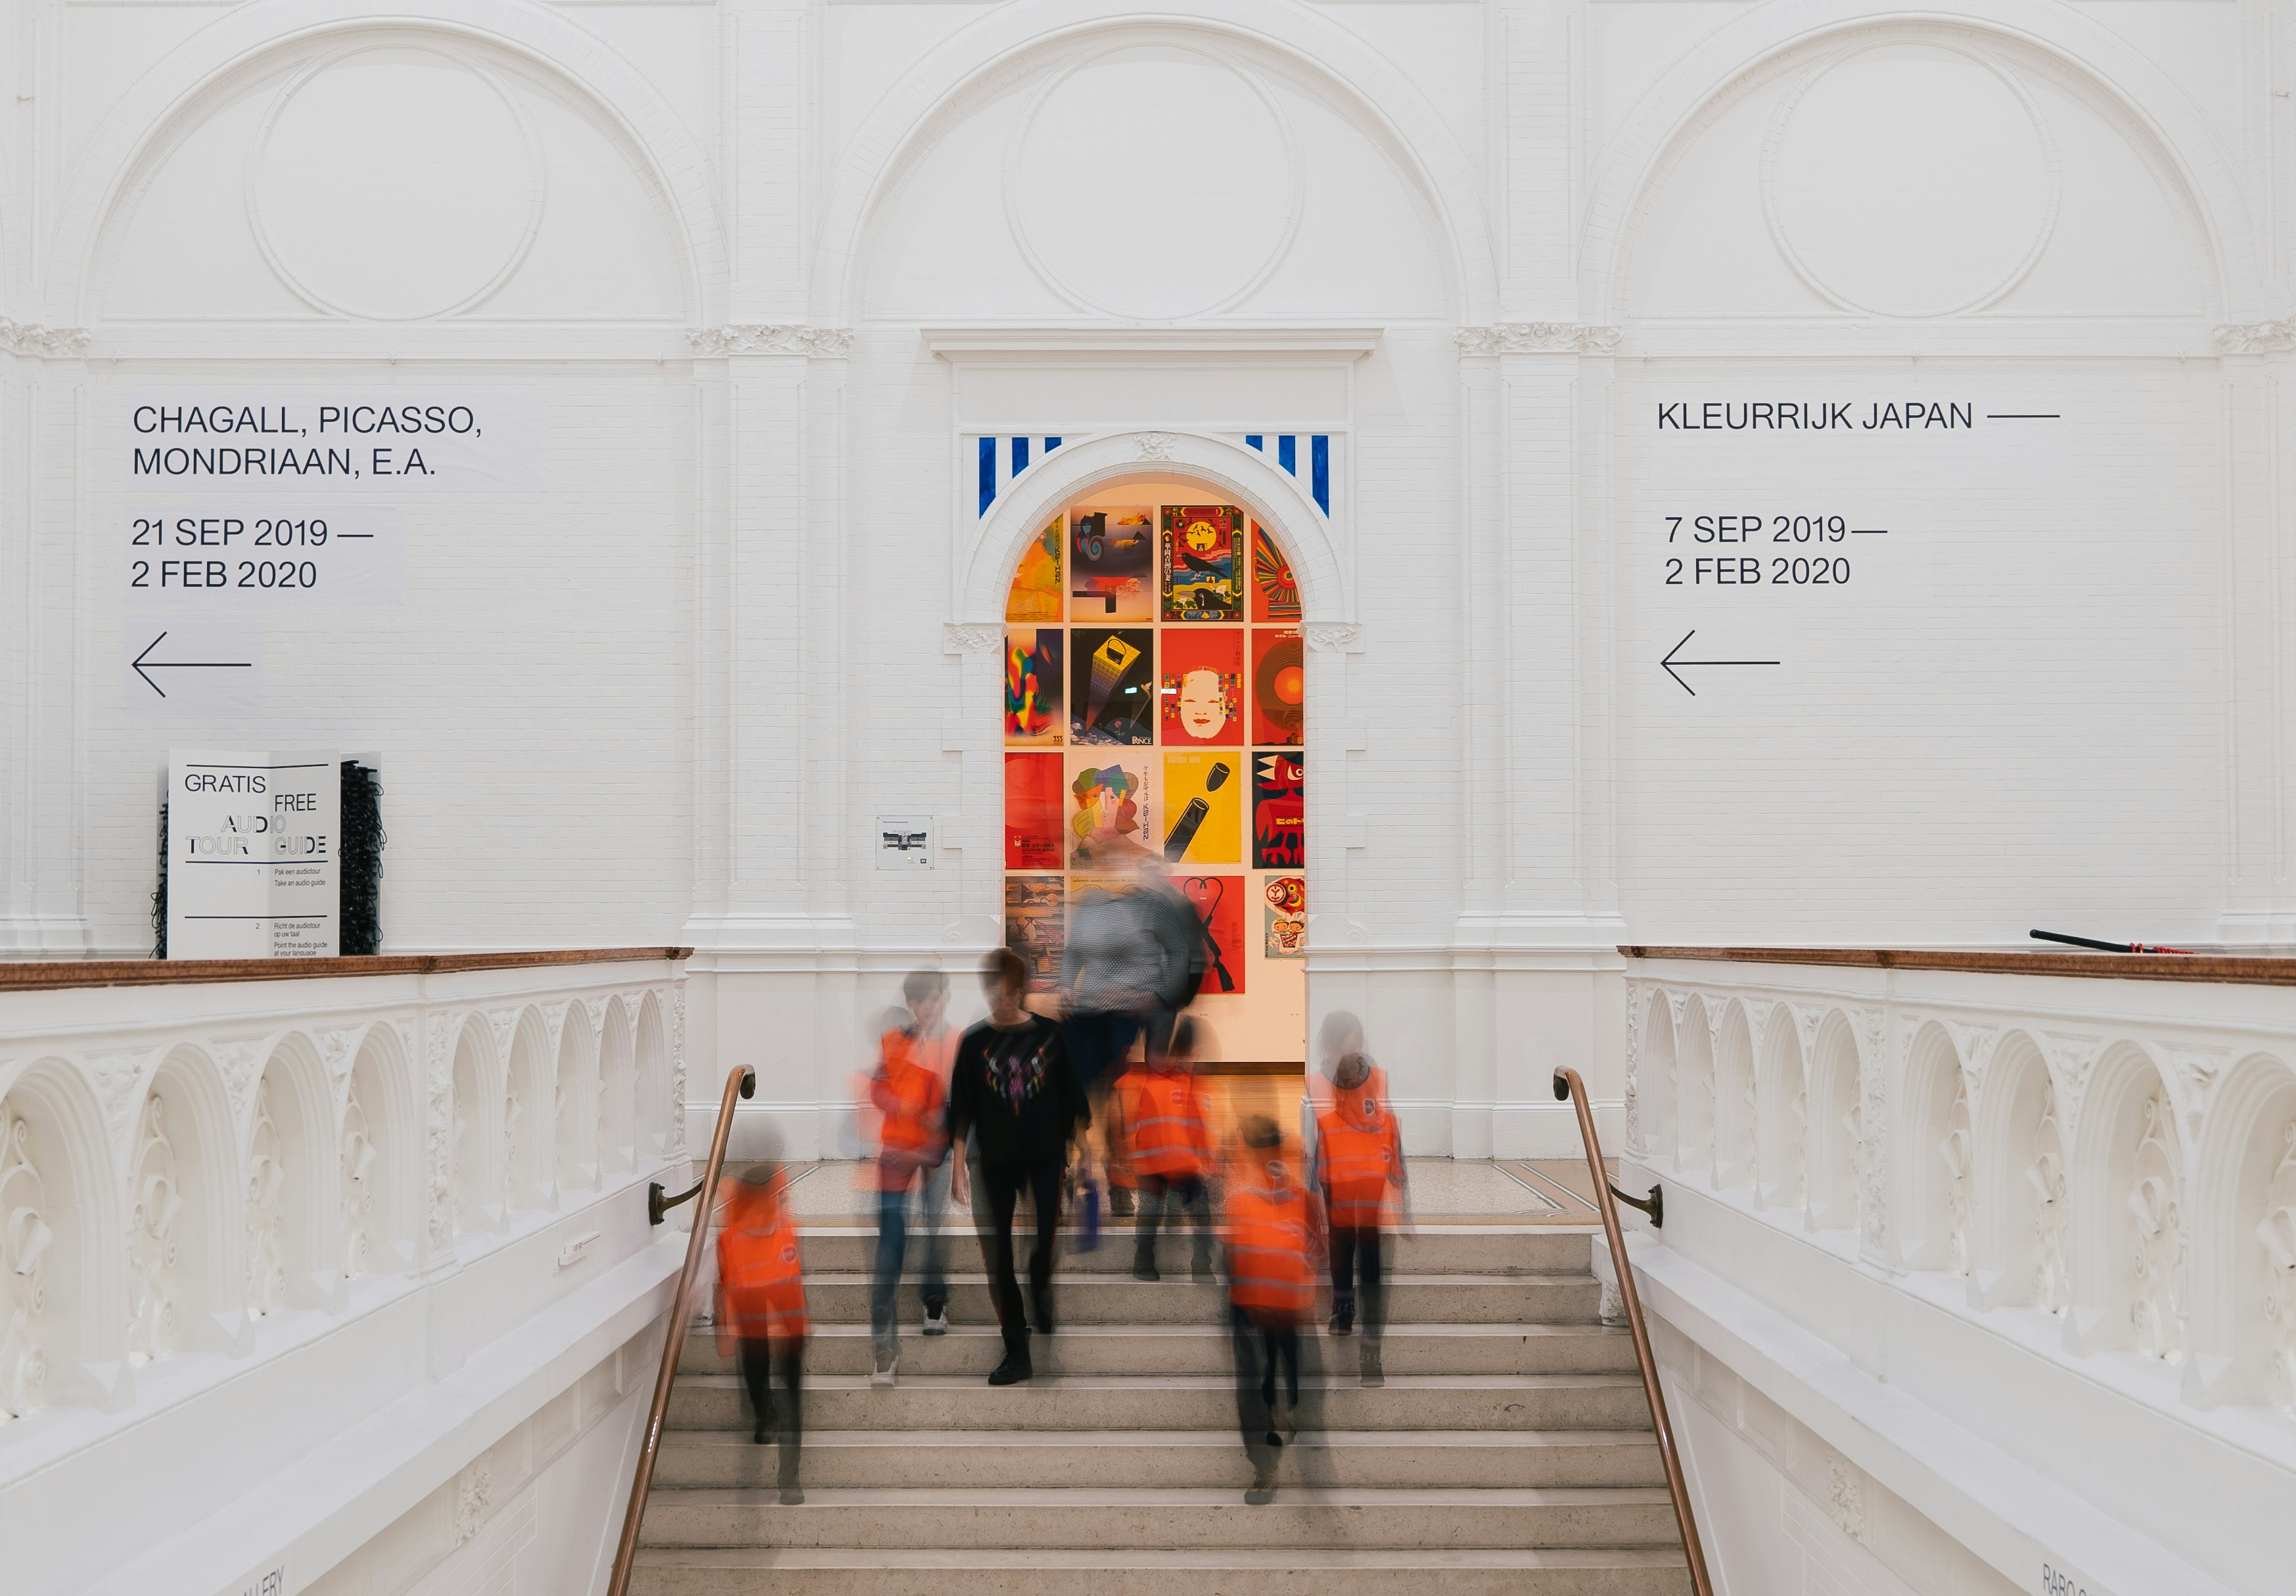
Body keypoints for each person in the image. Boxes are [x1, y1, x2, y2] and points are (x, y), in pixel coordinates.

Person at [948, 948, 1088, 1385]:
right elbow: (962, 1108)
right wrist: (957, 1166)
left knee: (1044, 1241)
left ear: (1022, 990)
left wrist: (1088, 1156)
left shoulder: (1049, 1035)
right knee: (1000, 1255)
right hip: (996, 1160)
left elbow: (1071, 1098)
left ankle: (1041, 1285)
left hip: (1046, 1154)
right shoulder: (973, 1042)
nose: (1003, 1000)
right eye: (995, 992)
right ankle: (1017, 1349)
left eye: (1010, 991)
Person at [862, 982, 953, 1386]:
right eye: (922, 1000)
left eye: (936, 998)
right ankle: (885, 1348)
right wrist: (895, 1103)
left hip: (925, 1154)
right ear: (912, 1004)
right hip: (896, 1157)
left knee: (934, 1228)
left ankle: (934, 1303)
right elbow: (878, 1086)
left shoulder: (949, 1045)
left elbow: (947, 1118)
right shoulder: (894, 1040)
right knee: (890, 1249)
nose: (929, 1007)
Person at [1309, 1011, 1407, 1384]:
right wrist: (1311, 1186)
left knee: (1371, 1265)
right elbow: (1314, 1133)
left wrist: (1398, 1178)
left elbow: (1390, 1126)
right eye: (1343, 1042)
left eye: (1354, 1040)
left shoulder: (1377, 1079)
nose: (1350, 1048)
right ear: (1330, 1045)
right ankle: (1343, 1308)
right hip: (1335, 1185)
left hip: (1371, 1190)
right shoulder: (1318, 1083)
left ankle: (1371, 1353)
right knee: (1340, 1250)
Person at [1224, 1115, 1314, 1504]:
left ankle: (1284, 1416)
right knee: (1255, 1383)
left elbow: (1308, 1226)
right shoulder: (1236, 1173)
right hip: (1248, 1296)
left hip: (1281, 1296)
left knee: (1279, 1364)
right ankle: (1265, 1465)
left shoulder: (1289, 1170)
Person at [714, 1156, 808, 1503]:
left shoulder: (786, 1229)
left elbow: (794, 1279)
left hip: (791, 1327)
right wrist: (723, 1329)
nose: (784, 1202)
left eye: (783, 1197)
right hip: (755, 1326)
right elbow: (722, 1286)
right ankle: (762, 1413)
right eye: (777, 1197)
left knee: (792, 1399)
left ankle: (789, 1477)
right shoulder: (731, 1241)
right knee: (756, 1369)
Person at [1109, 1015, 1215, 1282]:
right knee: (1151, 1214)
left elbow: (1197, 1122)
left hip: (1183, 1163)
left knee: (1201, 1212)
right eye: (1160, 1051)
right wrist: (1121, 1162)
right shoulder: (1135, 1084)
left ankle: (1201, 1263)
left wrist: (1206, 1155)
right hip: (1153, 1165)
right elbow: (1118, 1126)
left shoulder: (1187, 1081)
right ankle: (1143, 1260)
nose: (1166, 1058)